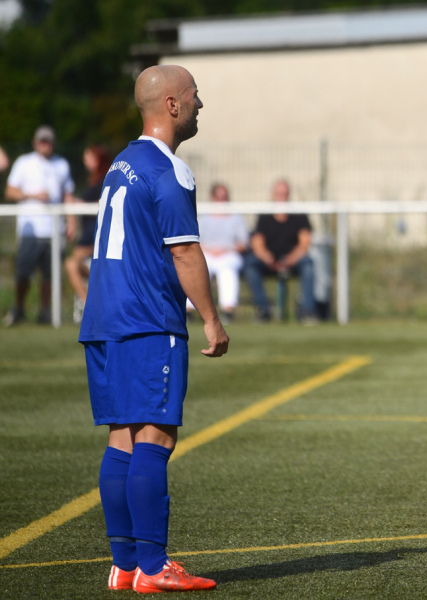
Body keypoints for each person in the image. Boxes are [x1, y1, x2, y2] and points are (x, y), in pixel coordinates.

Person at [78, 65, 228, 593]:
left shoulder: (120, 164)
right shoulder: (169, 169)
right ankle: (153, 565)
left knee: (122, 436)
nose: (199, 104)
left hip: (103, 318)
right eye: (194, 95)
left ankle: (125, 565)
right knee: (155, 435)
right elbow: (184, 251)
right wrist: (211, 319)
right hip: (146, 319)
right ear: (171, 104)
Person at [4, 125, 75, 326]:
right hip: (30, 230)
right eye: (42, 141)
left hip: (54, 230)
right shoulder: (23, 163)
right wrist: (32, 195)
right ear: (35, 143)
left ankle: (45, 311)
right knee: (23, 272)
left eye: (48, 141)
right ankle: (19, 308)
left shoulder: (62, 164)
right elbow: (10, 191)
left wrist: (71, 221)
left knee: (50, 275)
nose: (45, 145)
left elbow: (67, 195)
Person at [244, 179, 317, 322]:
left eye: (285, 194)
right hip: (269, 262)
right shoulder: (265, 215)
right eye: (279, 194)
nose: (282, 198)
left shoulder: (299, 215)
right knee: (250, 265)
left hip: (293, 261)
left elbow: (305, 243)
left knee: (308, 264)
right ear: (273, 195)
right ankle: (263, 310)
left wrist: (290, 259)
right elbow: (257, 242)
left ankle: (307, 311)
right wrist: (266, 257)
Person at [187, 183, 248, 323]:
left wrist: (225, 250)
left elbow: (244, 242)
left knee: (227, 270)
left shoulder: (236, 218)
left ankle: (228, 310)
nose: (221, 200)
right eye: (218, 197)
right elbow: (196, 240)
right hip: (206, 253)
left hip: (229, 254)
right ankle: (189, 310)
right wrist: (209, 250)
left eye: (224, 197)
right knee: (197, 270)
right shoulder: (204, 217)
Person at [65, 145, 112, 322]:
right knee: (72, 264)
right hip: (88, 238)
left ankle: (89, 306)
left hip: (97, 239)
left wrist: (80, 203)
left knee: (71, 263)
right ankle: (89, 304)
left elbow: (105, 202)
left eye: (89, 157)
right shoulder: (93, 180)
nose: (85, 161)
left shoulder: (106, 179)